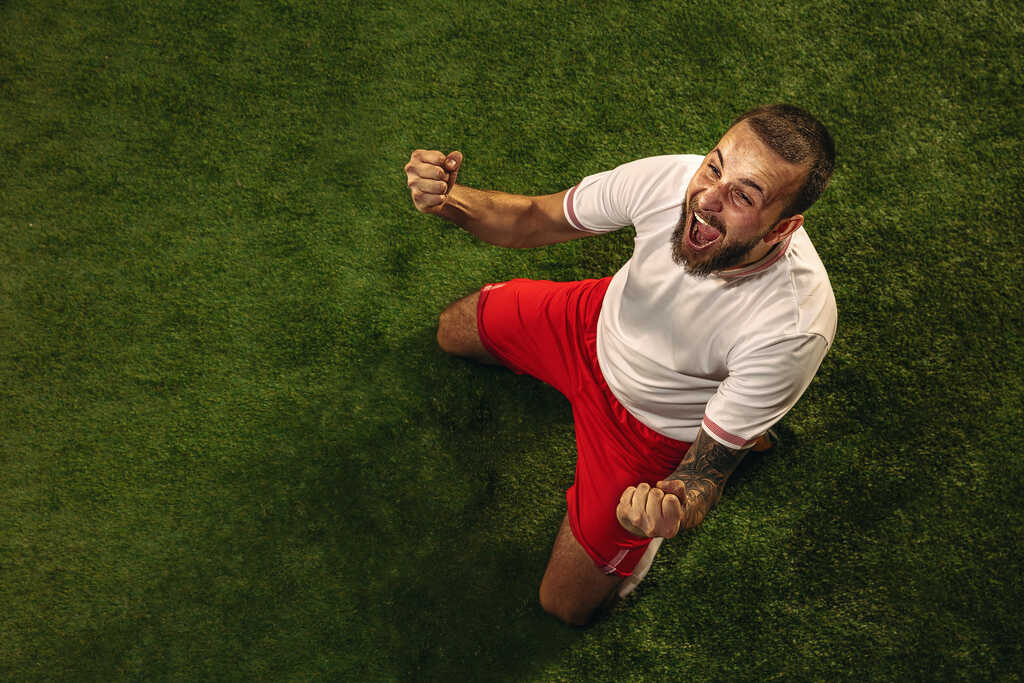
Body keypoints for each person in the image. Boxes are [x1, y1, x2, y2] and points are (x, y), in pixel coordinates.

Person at [404, 104, 837, 626]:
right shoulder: (669, 178)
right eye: (715, 167)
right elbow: (531, 220)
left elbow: (706, 475)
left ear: (782, 227)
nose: (707, 198)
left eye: (744, 196)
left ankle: (648, 539)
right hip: (588, 325)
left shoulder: (792, 326)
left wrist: (670, 503)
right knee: (452, 331)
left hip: (650, 428)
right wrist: (447, 200)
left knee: (564, 605)